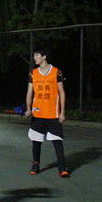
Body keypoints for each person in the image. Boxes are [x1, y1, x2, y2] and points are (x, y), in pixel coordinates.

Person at [25, 47, 69, 177]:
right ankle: (35, 165)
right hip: (38, 113)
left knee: (57, 141)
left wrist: (62, 112)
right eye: (34, 55)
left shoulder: (56, 72)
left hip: (53, 114)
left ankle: (62, 168)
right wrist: (28, 109)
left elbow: (62, 92)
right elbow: (29, 92)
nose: (34, 57)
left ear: (44, 57)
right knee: (36, 141)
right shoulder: (33, 73)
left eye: (37, 55)